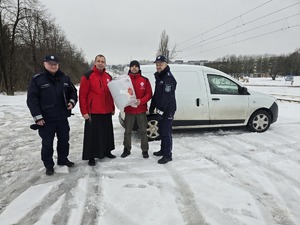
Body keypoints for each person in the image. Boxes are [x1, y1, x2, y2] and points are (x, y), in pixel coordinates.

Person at [27, 55, 78, 175]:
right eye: (50, 63)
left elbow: (73, 92)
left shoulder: (65, 78)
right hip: (46, 119)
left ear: (58, 65)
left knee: (64, 141)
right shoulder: (38, 79)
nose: (53, 66)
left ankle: (63, 159)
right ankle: (48, 165)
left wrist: (71, 102)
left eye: (55, 64)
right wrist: (38, 117)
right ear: (45, 64)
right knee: (47, 143)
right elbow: (32, 100)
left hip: (62, 117)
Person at [79, 54, 116, 166]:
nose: (100, 63)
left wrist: (112, 107)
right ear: (95, 62)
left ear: (105, 63)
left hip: (106, 110)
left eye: (102, 61)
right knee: (92, 135)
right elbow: (82, 95)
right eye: (98, 61)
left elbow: (111, 94)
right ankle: (91, 156)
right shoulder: (87, 76)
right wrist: (84, 111)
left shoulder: (108, 77)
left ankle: (107, 151)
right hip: (93, 111)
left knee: (107, 133)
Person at [121, 60, 152, 158]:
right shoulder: (124, 80)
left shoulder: (145, 80)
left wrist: (141, 101)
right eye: (132, 66)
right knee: (127, 131)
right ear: (130, 68)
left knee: (143, 131)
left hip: (141, 110)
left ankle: (145, 150)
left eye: (136, 66)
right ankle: (126, 149)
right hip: (129, 110)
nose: (134, 68)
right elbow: (120, 93)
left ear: (139, 68)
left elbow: (149, 94)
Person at [149, 55, 177, 164]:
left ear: (166, 64)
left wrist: (160, 110)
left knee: (166, 132)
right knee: (161, 130)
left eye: (160, 64)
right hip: (161, 109)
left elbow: (167, 97)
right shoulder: (160, 76)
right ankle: (162, 150)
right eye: (157, 64)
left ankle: (167, 154)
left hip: (168, 110)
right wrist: (152, 106)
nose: (158, 66)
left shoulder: (168, 78)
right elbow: (156, 94)